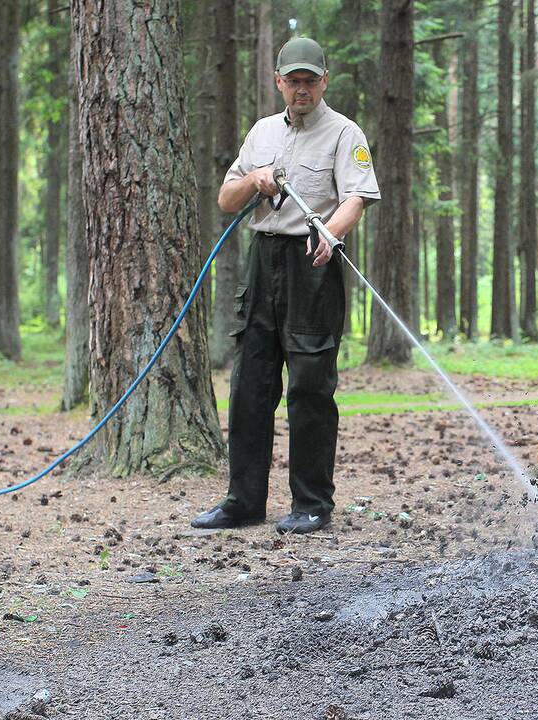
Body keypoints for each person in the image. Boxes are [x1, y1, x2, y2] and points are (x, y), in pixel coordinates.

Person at [191, 37, 380, 534]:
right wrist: (256, 179)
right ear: (278, 81)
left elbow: (357, 197)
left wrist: (331, 232)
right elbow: (226, 199)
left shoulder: (344, 133)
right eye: (292, 80)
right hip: (263, 263)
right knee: (250, 384)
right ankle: (243, 501)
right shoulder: (261, 133)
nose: (301, 89)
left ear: (324, 81)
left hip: (312, 264)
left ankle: (313, 504)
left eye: (310, 80)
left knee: (310, 386)